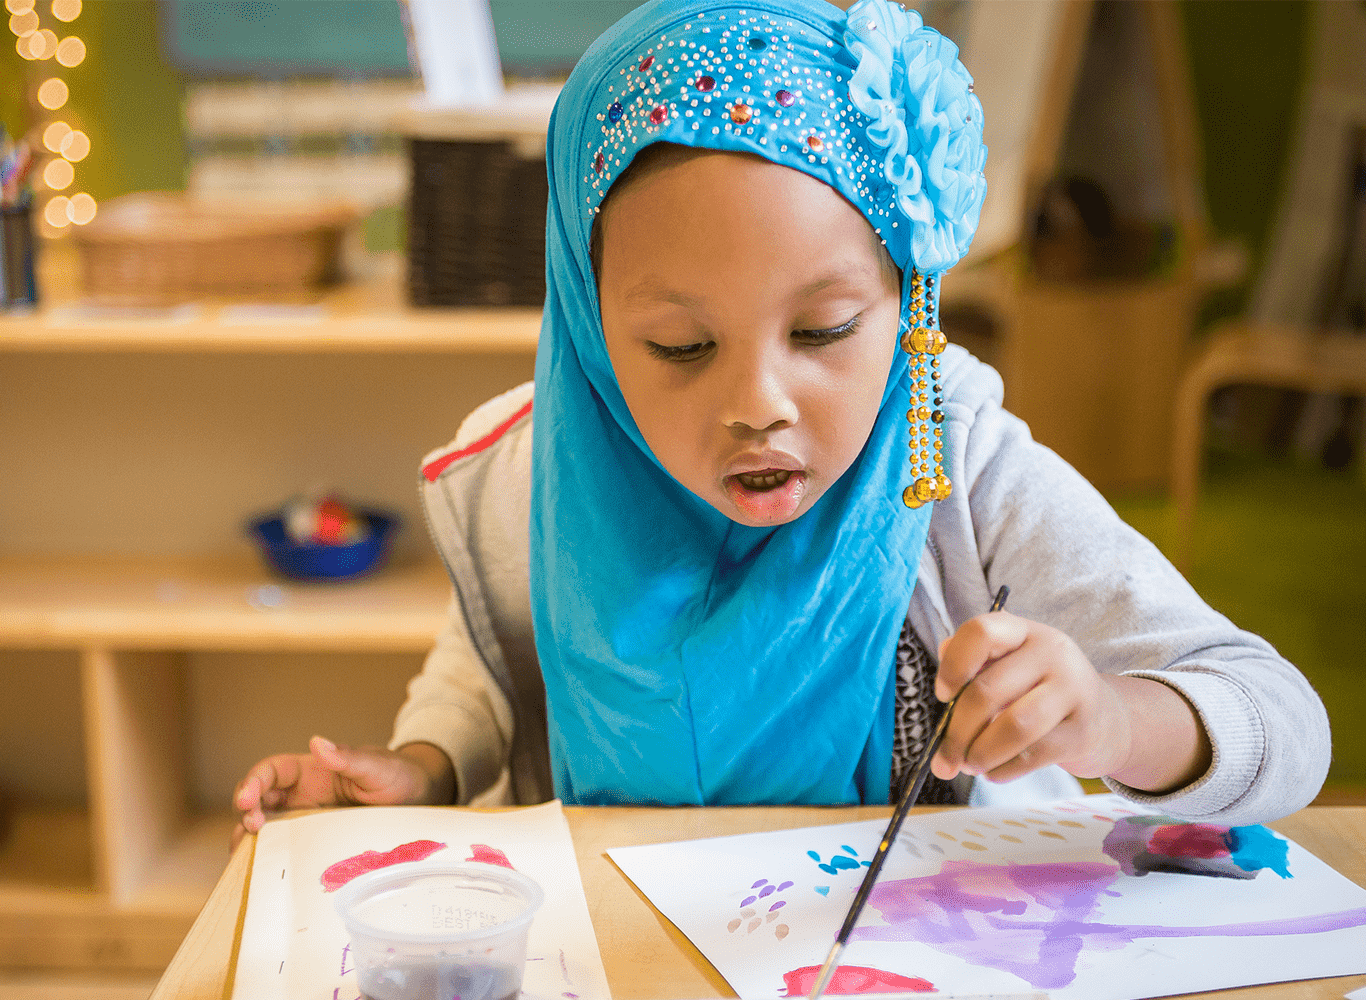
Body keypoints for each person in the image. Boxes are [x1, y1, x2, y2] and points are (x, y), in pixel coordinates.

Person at [233, 0, 1330, 844]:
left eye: (823, 331)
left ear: (902, 301)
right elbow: (490, 658)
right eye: (680, 347)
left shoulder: (957, 469)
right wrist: (424, 764)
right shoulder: (528, 467)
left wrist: (1113, 718)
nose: (759, 404)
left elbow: (1285, 724)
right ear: (583, 320)